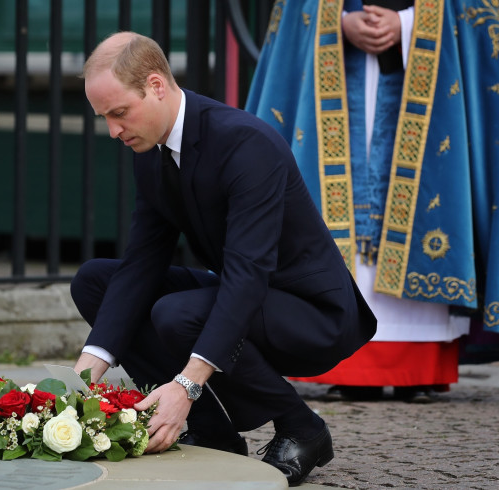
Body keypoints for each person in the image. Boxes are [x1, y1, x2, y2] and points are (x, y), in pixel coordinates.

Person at [70, 31, 377, 486]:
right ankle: (213, 433)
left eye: (119, 113)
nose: (113, 130)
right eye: (105, 118)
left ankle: (302, 426)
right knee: (95, 280)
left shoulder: (244, 142)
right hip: (248, 294)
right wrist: (85, 371)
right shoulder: (148, 148)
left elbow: (247, 273)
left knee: (177, 314)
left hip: (311, 311)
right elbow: (142, 263)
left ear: (155, 85)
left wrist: (188, 384)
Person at [245, 0, 499, 403]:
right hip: (337, 71)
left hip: (425, 72)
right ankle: (342, 360)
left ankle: (416, 367)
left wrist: (410, 23)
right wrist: (337, 22)